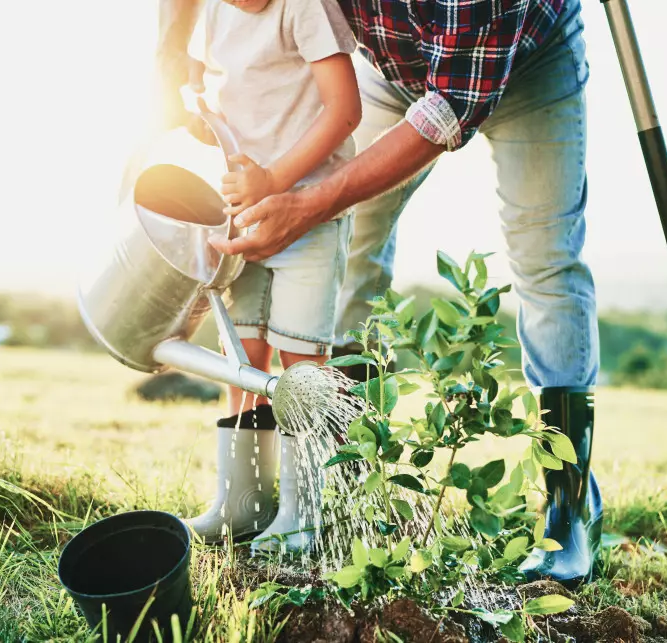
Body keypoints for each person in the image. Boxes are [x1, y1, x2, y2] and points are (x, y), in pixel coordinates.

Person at [159, 0, 602, 586]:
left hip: (524, 62)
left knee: (545, 264)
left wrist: (315, 201)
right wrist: (170, 51)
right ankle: (335, 486)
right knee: (351, 257)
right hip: (389, 66)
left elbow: (451, 106)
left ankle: (570, 509)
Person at [158, 0, 362, 554]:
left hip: (309, 219)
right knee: (242, 359)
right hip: (244, 220)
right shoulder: (214, 14)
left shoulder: (305, 9)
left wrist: (274, 178)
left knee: (301, 370)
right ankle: (242, 503)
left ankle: (302, 514)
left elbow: (345, 110)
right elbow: (233, 97)